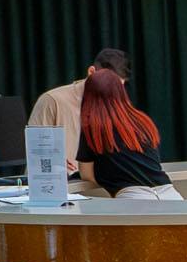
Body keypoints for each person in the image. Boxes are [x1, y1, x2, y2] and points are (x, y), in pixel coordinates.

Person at [75, 65, 179, 201]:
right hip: (170, 194)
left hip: (134, 199)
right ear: (121, 91)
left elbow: (87, 175)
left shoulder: (92, 127)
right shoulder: (142, 120)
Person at [29, 46, 130, 186]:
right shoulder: (52, 100)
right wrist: (52, 160)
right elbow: (35, 151)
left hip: (101, 186)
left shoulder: (117, 106)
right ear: (91, 72)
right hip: (60, 186)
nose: (113, 92)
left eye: (119, 87)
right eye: (109, 85)